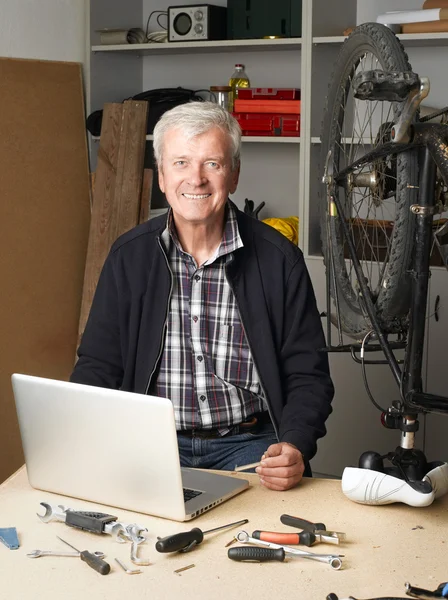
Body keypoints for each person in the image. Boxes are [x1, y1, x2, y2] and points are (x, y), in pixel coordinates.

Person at [71, 101, 334, 491]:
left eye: (212, 163)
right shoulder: (129, 257)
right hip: (150, 445)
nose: (196, 179)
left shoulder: (279, 261)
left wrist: (294, 444)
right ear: (161, 176)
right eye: (180, 163)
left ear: (235, 174)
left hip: (251, 448)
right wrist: (80, 439)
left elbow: (307, 374)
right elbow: (99, 365)